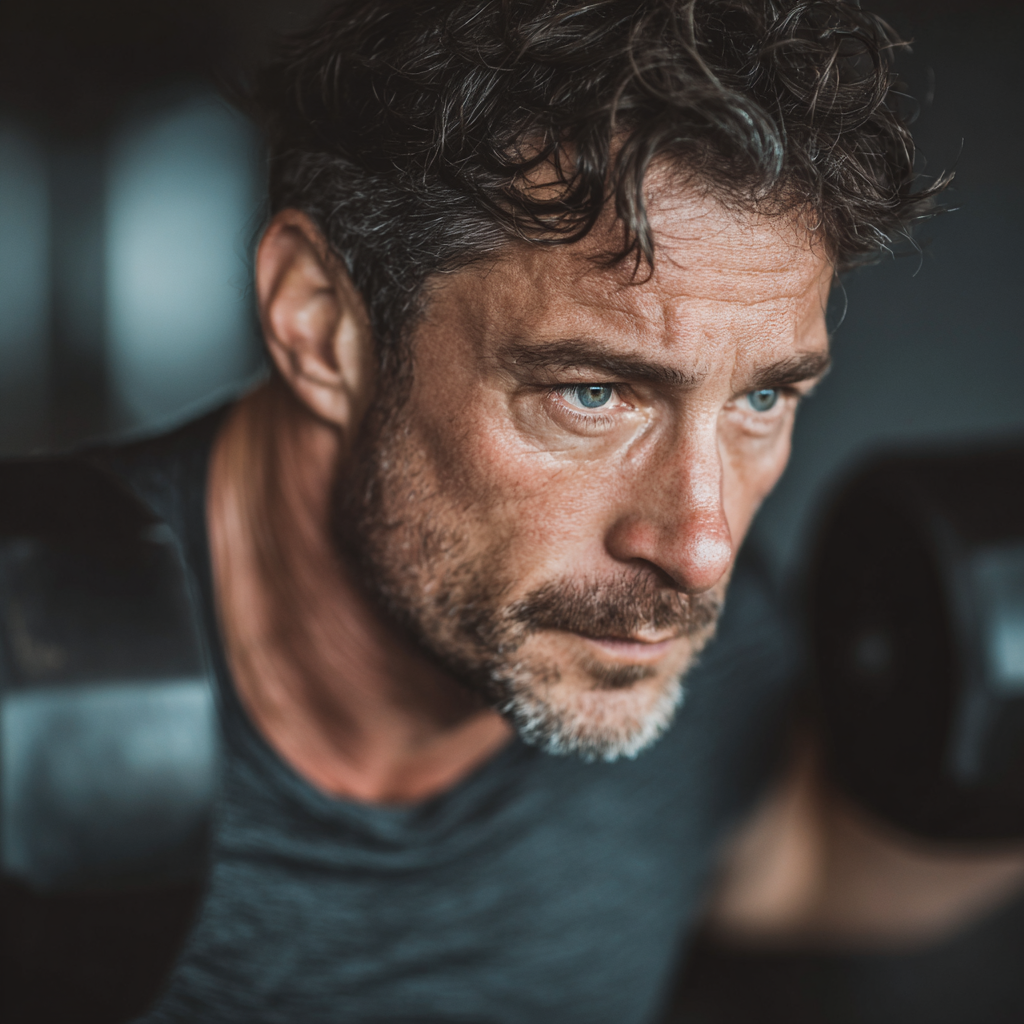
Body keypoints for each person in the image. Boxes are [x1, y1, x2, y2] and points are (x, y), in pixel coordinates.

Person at [19, 1, 1024, 1020]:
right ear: (321, 324)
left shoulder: (696, 666)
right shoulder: (33, 659)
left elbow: (805, 864)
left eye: (761, 398)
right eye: (591, 393)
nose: (698, 546)